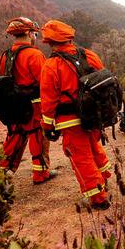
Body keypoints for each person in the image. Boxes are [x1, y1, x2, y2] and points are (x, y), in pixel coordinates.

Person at [39, 20, 112, 210]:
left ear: (49, 42)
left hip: (70, 121)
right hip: (94, 116)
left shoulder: (51, 65)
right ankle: (104, 179)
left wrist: (47, 127)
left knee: (81, 157)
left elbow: (48, 102)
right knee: (94, 148)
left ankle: (98, 198)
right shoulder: (89, 55)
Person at [0, 17, 55, 184]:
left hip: (12, 105)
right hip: (33, 104)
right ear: (29, 33)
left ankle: (0, 174)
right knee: (37, 135)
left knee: (14, 136)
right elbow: (45, 82)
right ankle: (41, 174)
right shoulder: (34, 55)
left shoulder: (3, 56)